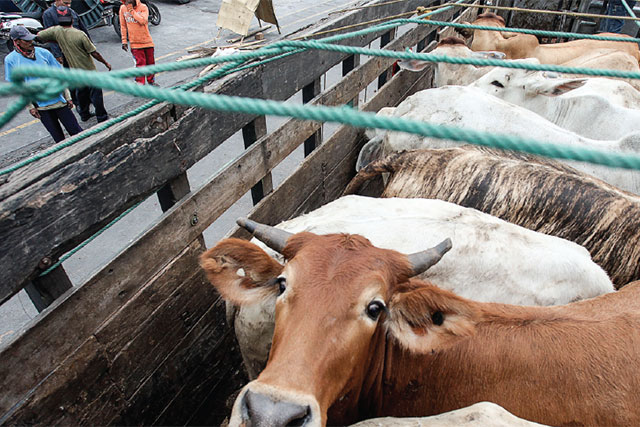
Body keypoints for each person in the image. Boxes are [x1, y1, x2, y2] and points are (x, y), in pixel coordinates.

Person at [4, 26, 83, 143]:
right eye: (26, 41)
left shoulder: (44, 53)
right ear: (17, 42)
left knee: (76, 132)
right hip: (41, 106)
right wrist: (30, 107)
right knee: (58, 139)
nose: (30, 42)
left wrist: (68, 96)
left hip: (59, 101)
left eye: (31, 39)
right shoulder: (11, 60)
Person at [37, 6, 112, 123]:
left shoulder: (57, 31)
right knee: (96, 94)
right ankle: (102, 117)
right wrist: (105, 63)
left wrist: (56, 40)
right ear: (72, 20)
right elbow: (94, 53)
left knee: (82, 93)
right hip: (88, 70)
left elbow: (39, 36)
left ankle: (84, 114)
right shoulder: (79, 34)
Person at [42, 0, 91, 107]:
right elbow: (51, 36)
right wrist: (57, 54)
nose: (68, 5)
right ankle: (77, 101)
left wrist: (89, 45)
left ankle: (86, 98)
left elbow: (82, 28)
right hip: (65, 52)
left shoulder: (71, 11)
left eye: (69, 3)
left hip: (78, 50)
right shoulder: (49, 14)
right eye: (66, 3)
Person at [120, 0, 156, 85]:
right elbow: (123, 26)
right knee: (140, 64)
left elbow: (143, 21)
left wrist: (131, 10)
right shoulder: (122, 8)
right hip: (134, 44)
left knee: (150, 63)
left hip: (147, 41)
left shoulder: (143, 7)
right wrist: (124, 41)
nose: (128, 1)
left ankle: (151, 81)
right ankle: (140, 84)